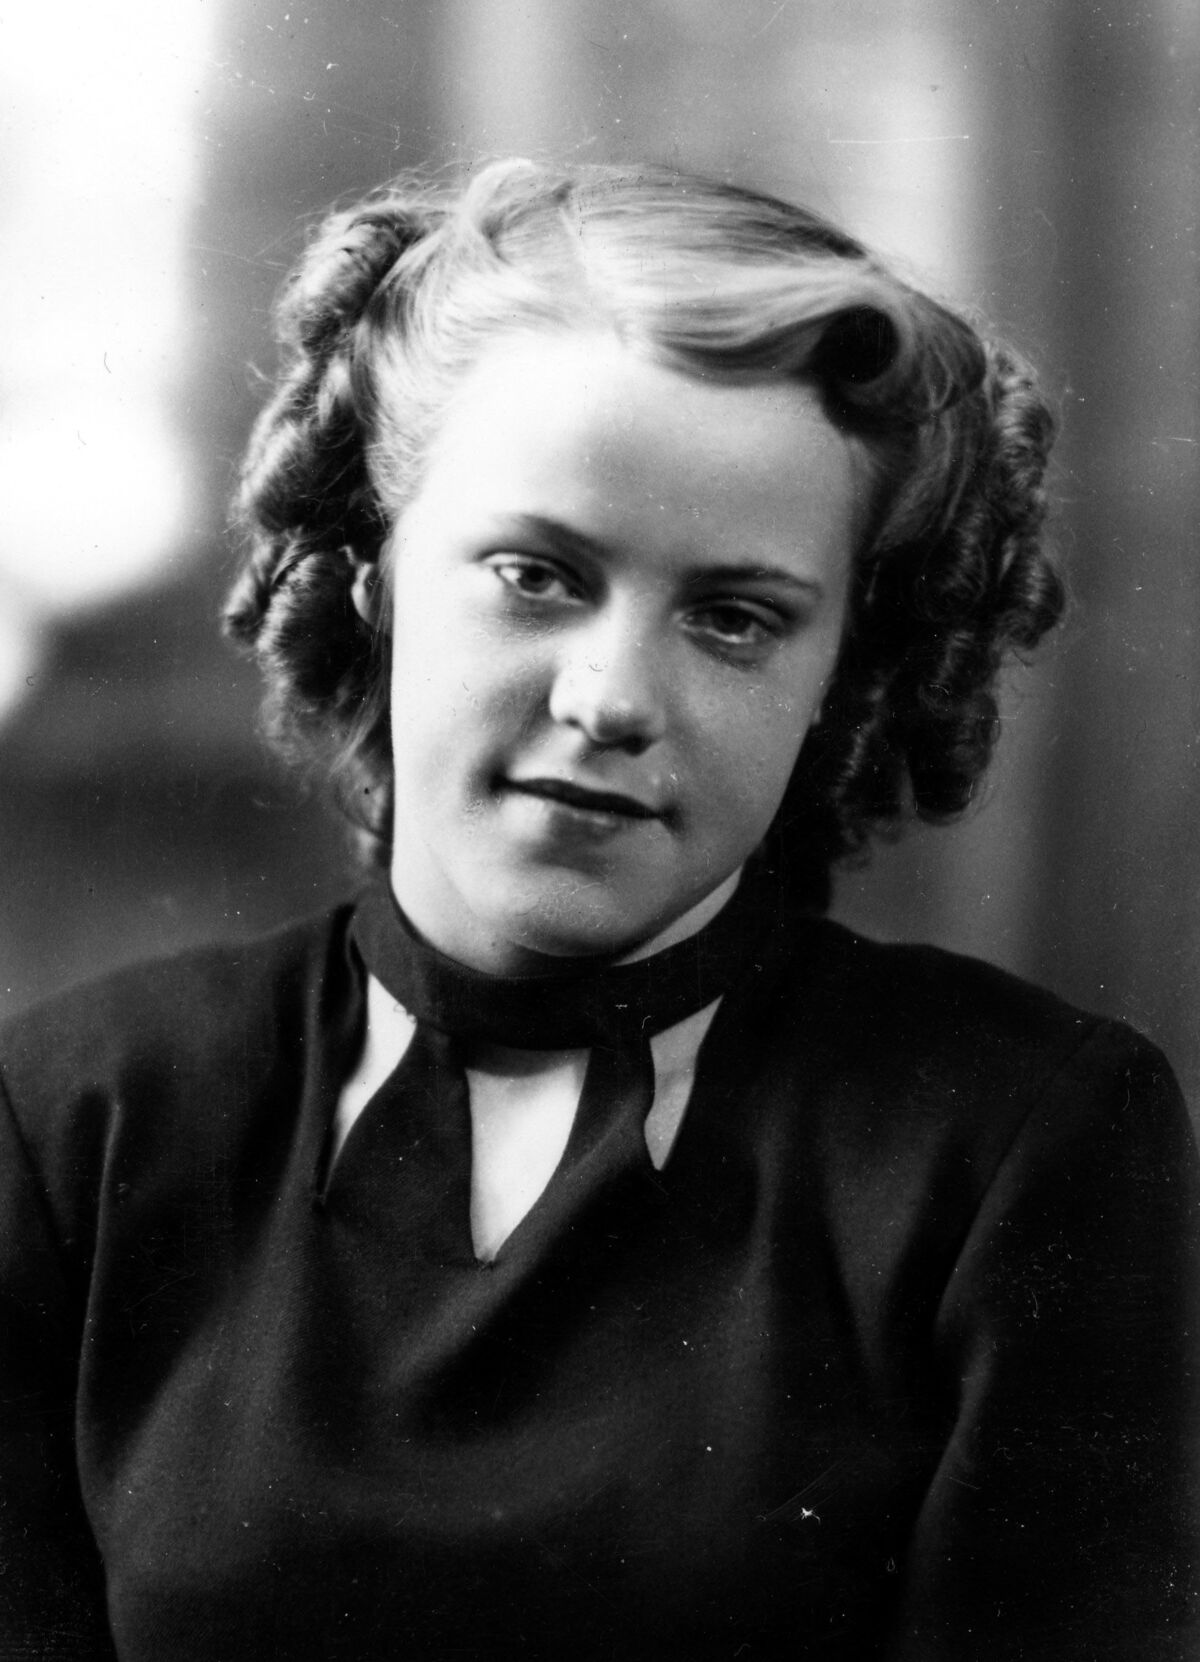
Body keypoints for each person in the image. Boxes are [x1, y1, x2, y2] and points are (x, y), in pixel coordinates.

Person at [1, 159, 1196, 1661]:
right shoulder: (80, 1124)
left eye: (735, 618)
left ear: (838, 673)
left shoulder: (1012, 1147)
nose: (611, 697)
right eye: (536, 574)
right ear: (375, 579)